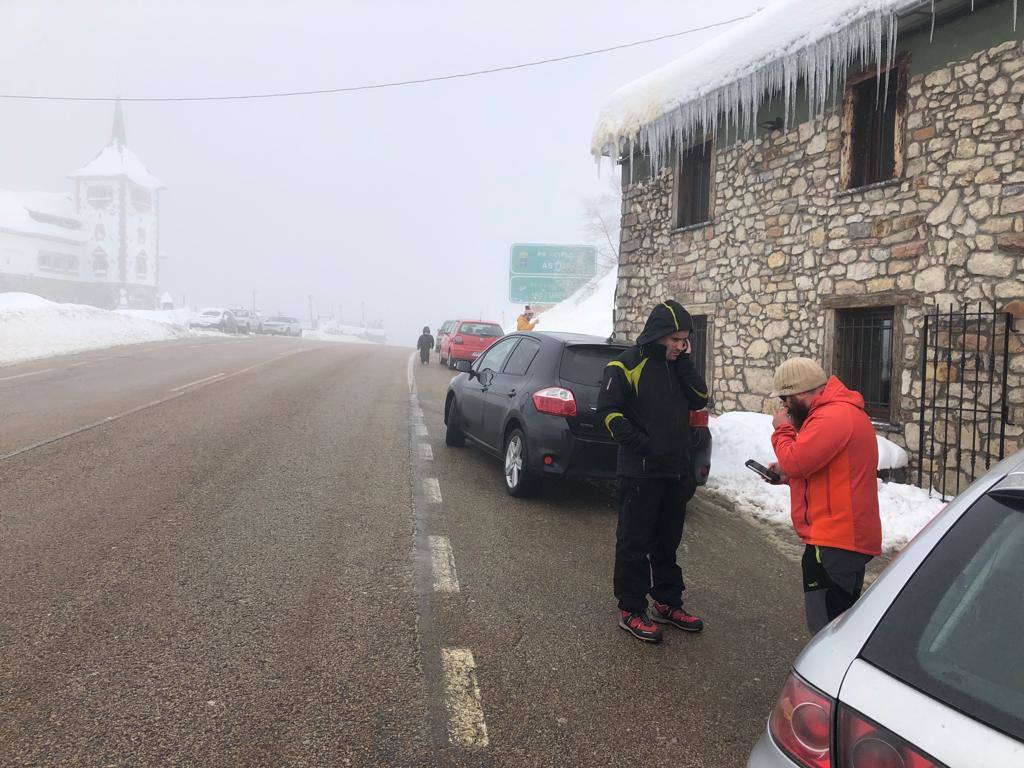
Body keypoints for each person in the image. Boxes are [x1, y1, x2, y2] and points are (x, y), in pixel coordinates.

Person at [597, 300, 709, 643]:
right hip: (640, 471)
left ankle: (667, 601)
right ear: (658, 334)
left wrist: (684, 362)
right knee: (634, 542)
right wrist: (646, 446)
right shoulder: (625, 365)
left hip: (675, 472)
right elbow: (609, 414)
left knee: (667, 542)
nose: (681, 345)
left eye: (685, 339)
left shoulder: (677, 365)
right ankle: (631, 608)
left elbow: (700, 397)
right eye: (675, 339)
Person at [766, 357, 882, 636]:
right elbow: (822, 469)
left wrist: (782, 429)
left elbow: (796, 460)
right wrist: (789, 476)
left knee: (827, 630)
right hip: (843, 538)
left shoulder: (833, 416)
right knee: (840, 619)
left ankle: (822, 677)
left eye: (785, 399)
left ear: (800, 393)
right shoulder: (837, 413)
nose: (784, 407)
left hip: (835, 540)